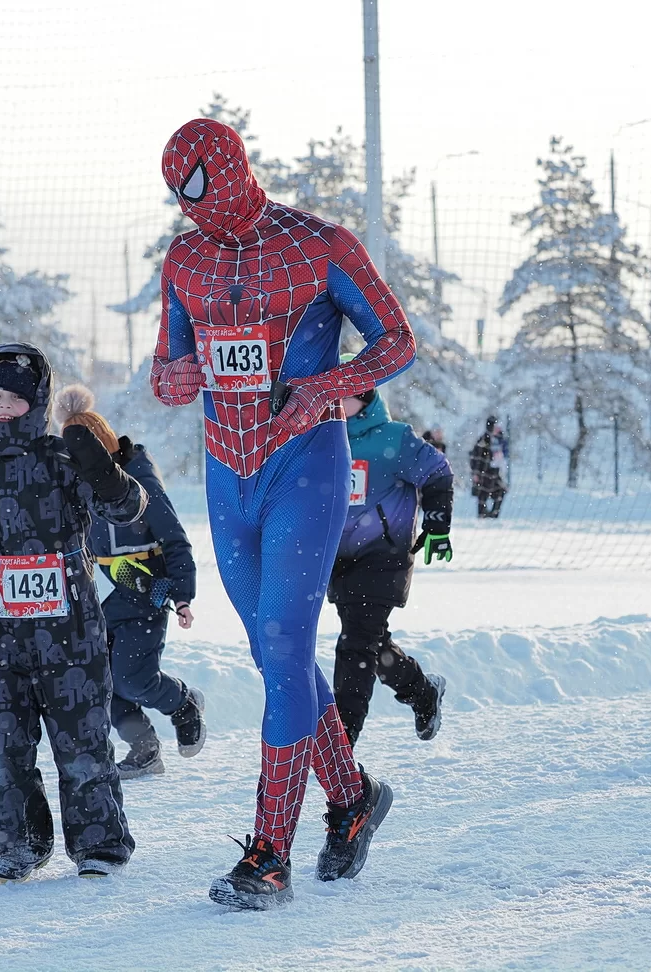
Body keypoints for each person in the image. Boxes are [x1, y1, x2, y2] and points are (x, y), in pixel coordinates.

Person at [151, 117, 414, 910]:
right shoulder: (184, 259)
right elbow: (167, 368)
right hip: (226, 478)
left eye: (198, 186)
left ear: (230, 170)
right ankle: (354, 798)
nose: (189, 205)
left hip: (305, 466)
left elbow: (396, 340)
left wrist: (327, 386)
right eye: (177, 192)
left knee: (284, 642)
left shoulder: (320, 243)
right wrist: (174, 378)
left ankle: (270, 856)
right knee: (276, 656)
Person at [0, 344, 148, 883]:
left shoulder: (63, 458)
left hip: (71, 631)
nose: (3, 406)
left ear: (38, 402)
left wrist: (107, 475)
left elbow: (128, 509)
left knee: (82, 744)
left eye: (16, 397)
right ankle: (18, 843)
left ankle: (100, 845)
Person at [54, 384, 205, 781]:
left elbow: (174, 538)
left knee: (133, 678)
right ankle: (144, 748)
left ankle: (183, 704)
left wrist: (183, 594)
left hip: (143, 593)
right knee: (99, 682)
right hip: (95, 597)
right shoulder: (74, 485)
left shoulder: (139, 482)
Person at [329, 383, 451, 745]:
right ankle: (422, 691)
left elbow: (437, 471)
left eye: (343, 395)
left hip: (384, 557)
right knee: (371, 643)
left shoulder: (394, 438)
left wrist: (437, 524)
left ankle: (342, 742)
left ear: (364, 397)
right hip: (338, 561)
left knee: (355, 645)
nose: (334, 401)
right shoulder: (322, 439)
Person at [469, 416, 508, 518]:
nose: (499, 428)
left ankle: (494, 514)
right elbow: (476, 457)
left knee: (500, 491)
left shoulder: (500, 439)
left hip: (496, 471)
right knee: (483, 494)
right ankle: (482, 515)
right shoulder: (483, 440)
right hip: (484, 472)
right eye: (496, 426)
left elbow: (504, 453)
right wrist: (475, 473)